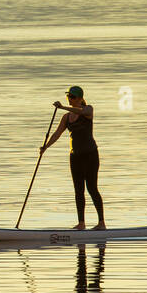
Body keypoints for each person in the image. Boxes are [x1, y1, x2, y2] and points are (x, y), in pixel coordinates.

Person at [40, 85, 106, 230]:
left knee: (92, 188)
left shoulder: (88, 110)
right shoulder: (66, 118)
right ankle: (81, 223)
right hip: (75, 156)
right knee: (78, 190)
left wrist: (63, 107)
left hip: (90, 155)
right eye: (68, 96)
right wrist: (46, 147)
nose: (70, 99)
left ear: (80, 99)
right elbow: (57, 134)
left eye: (73, 97)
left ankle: (101, 223)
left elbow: (82, 111)